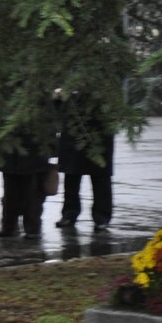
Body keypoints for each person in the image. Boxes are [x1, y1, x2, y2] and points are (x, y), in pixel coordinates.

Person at [55, 89, 114, 232]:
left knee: (100, 177)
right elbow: (58, 105)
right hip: (73, 130)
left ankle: (102, 217)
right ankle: (69, 214)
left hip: (100, 130)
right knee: (71, 176)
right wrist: (57, 97)